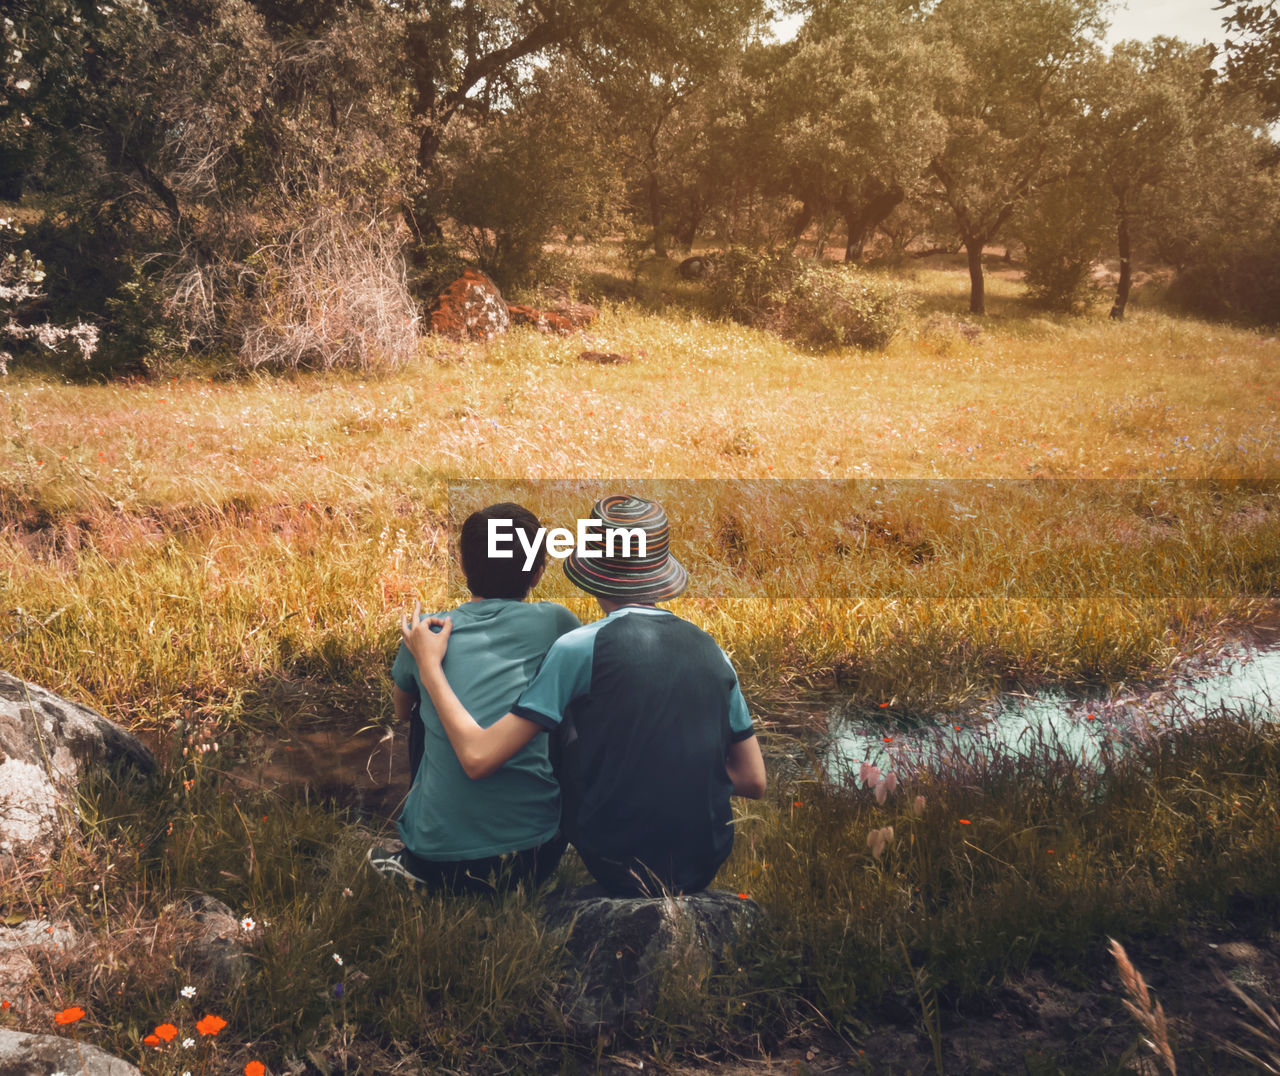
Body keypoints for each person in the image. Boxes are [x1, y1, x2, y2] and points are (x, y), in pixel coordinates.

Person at [401, 494, 766, 897]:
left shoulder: (576, 646)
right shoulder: (713, 651)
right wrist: (673, 779)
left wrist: (429, 667)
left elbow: (476, 756)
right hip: (701, 862)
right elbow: (753, 779)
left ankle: (429, 832)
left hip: (612, 863)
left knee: (443, 709)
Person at [367, 502, 580, 894]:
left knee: (418, 707)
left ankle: (420, 848)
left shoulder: (426, 631)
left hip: (436, 861)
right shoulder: (557, 623)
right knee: (564, 694)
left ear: (462, 566)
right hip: (536, 855)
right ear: (537, 572)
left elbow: (400, 712)